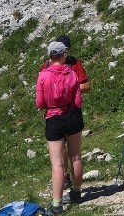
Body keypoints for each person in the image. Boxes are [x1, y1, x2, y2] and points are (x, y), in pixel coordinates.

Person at [36, 41, 84, 214]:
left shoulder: (42, 76)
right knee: (76, 156)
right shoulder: (72, 74)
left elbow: (40, 103)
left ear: (49, 56)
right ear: (64, 55)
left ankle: (56, 204)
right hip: (73, 117)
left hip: (53, 119)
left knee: (57, 164)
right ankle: (77, 193)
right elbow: (78, 101)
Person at [41, 35, 90, 189]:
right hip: (70, 111)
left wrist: (64, 91)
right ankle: (70, 184)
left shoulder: (75, 64)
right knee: (70, 154)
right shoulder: (46, 65)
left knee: (68, 155)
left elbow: (86, 86)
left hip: (59, 113)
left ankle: (59, 197)